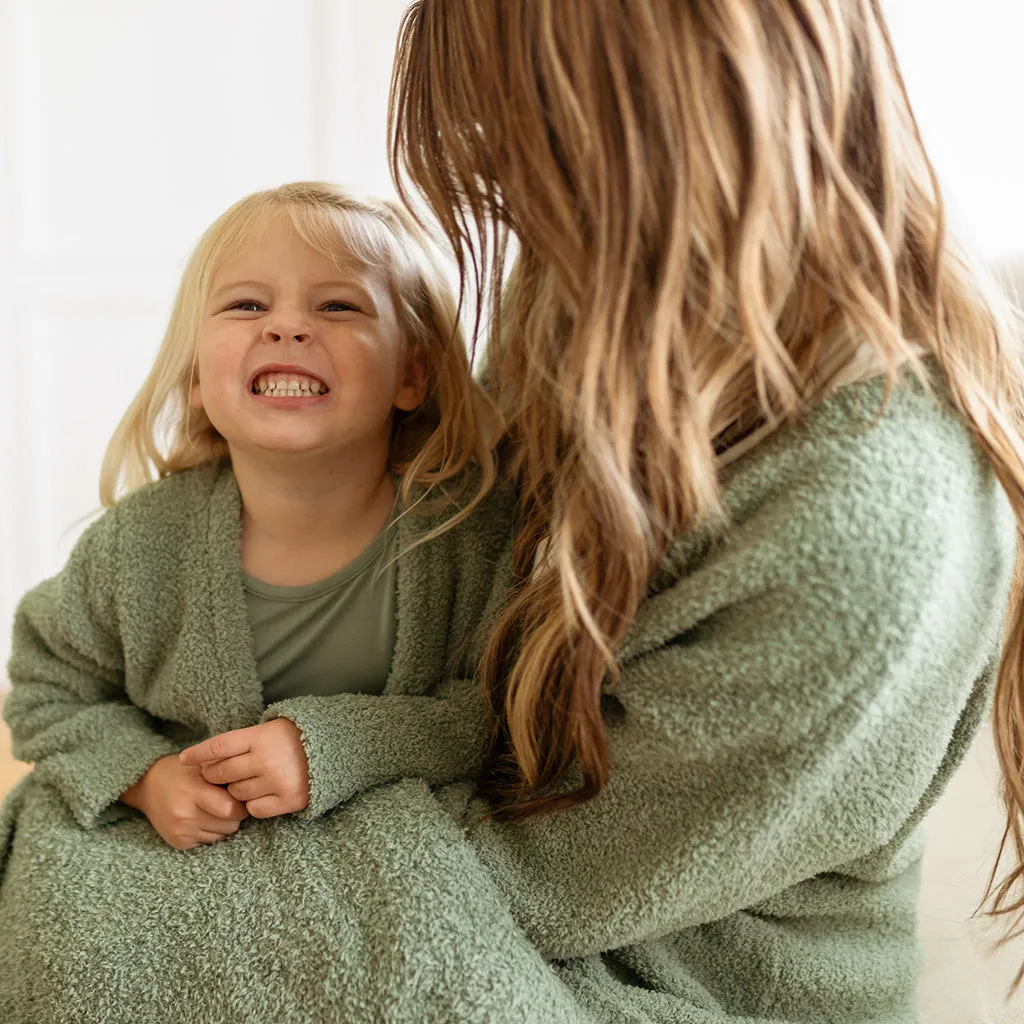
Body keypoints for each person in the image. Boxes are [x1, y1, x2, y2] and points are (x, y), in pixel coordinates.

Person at [1, 3, 1021, 1023]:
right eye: (246, 308)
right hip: (457, 870)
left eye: (523, 136)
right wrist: (129, 778)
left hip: (666, 965)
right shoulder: (585, 304)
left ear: (661, 123)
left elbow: (553, 862)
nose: (496, 182)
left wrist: (104, 874)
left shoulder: (869, 510)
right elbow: (55, 683)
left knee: (49, 906)